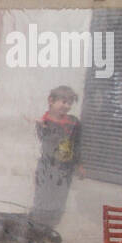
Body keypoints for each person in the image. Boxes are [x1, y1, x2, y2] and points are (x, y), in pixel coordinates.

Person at [30, 85, 83, 228]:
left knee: (59, 200)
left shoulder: (74, 122)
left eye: (70, 103)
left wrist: (79, 165)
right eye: (63, 102)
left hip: (65, 170)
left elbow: (77, 144)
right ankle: (37, 228)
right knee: (43, 198)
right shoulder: (45, 121)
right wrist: (41, 127)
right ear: (51, 101)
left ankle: (51, 229)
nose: (67, 106)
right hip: (47, 169)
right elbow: (44, 141)